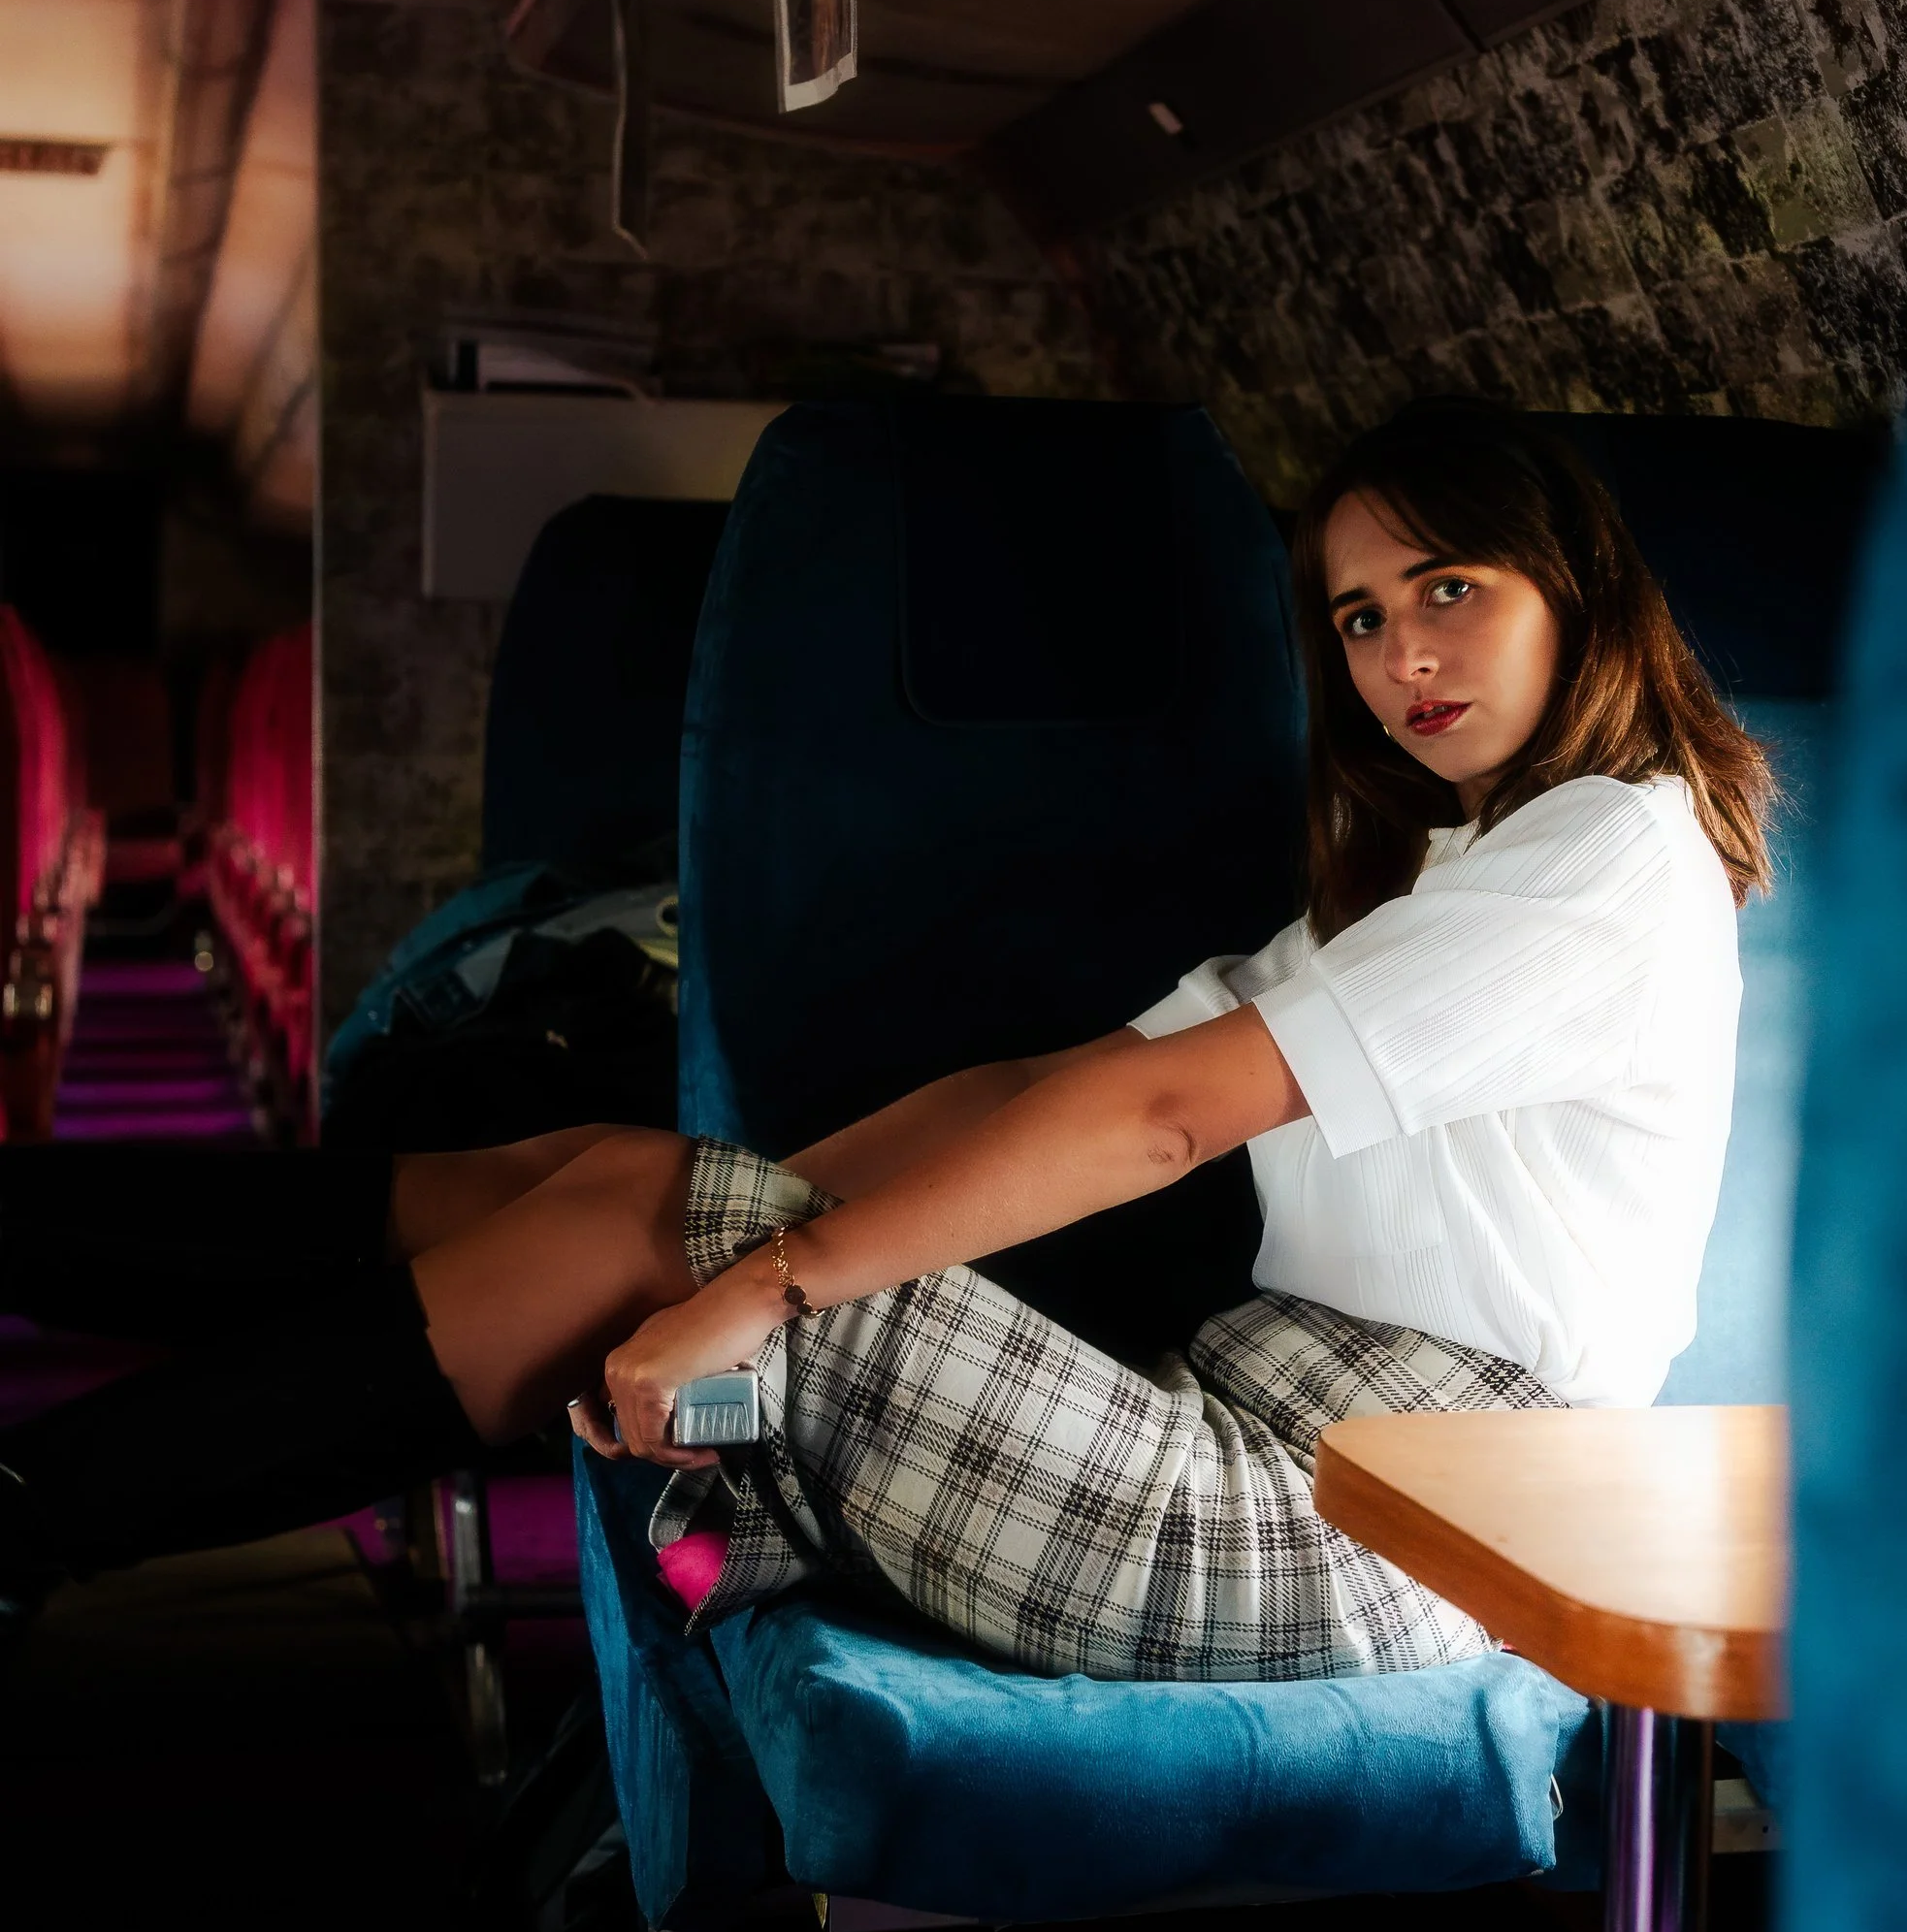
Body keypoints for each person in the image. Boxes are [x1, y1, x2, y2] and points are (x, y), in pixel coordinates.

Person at [0, 402, 1769, 1678]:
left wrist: (765, 1275)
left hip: (1376, 1528)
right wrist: (752, 1210)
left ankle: (37, 1516)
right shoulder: (1442, 867)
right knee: (626, 1175)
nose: (1401, 658)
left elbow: (1160, 1119)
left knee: (657, 1221)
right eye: (1362, 617)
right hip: (1256, 1424)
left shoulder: (1610, 852)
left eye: (1450, 589)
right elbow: (1045, 1086)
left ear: (1575, 586)